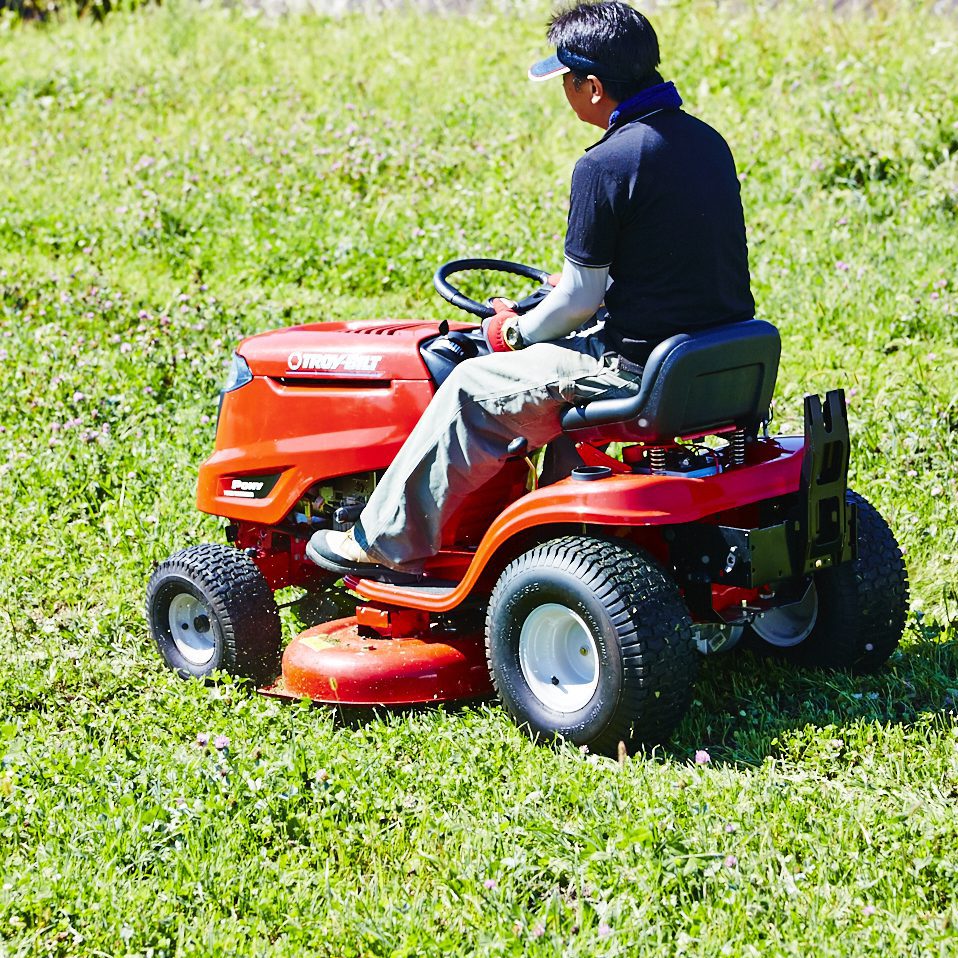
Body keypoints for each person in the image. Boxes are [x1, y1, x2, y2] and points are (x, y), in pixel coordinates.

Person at [307, 0, 754, 580]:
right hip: (713, 353)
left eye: (567, 81)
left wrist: (514, 329)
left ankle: (382, 539)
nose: (565, 93)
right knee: (543, 370)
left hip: (636, 367)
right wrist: (567, 290)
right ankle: (550, 534)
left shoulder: (605, 164)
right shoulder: (705, 142)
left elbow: (581, 300)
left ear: (593, 87)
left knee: (470, 384)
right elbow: (671, 253)